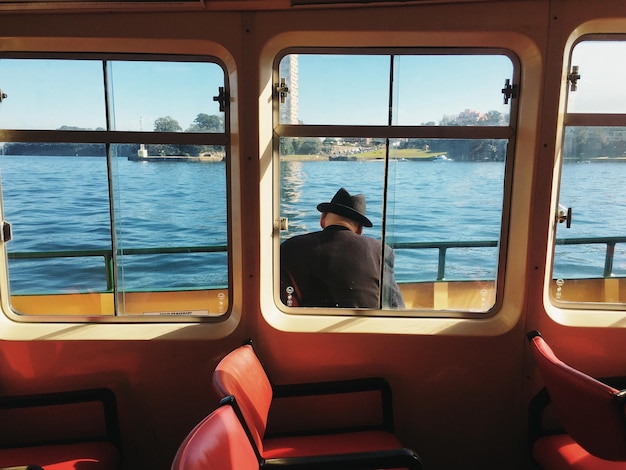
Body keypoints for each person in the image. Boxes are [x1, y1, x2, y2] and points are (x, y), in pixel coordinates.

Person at [280, 188, 404, 309]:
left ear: (322, 219)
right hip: (367, 327)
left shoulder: (290, 247)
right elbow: (395, 306)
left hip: (311, 326)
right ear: (360, 229)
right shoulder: (382, 251)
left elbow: (285, 301)